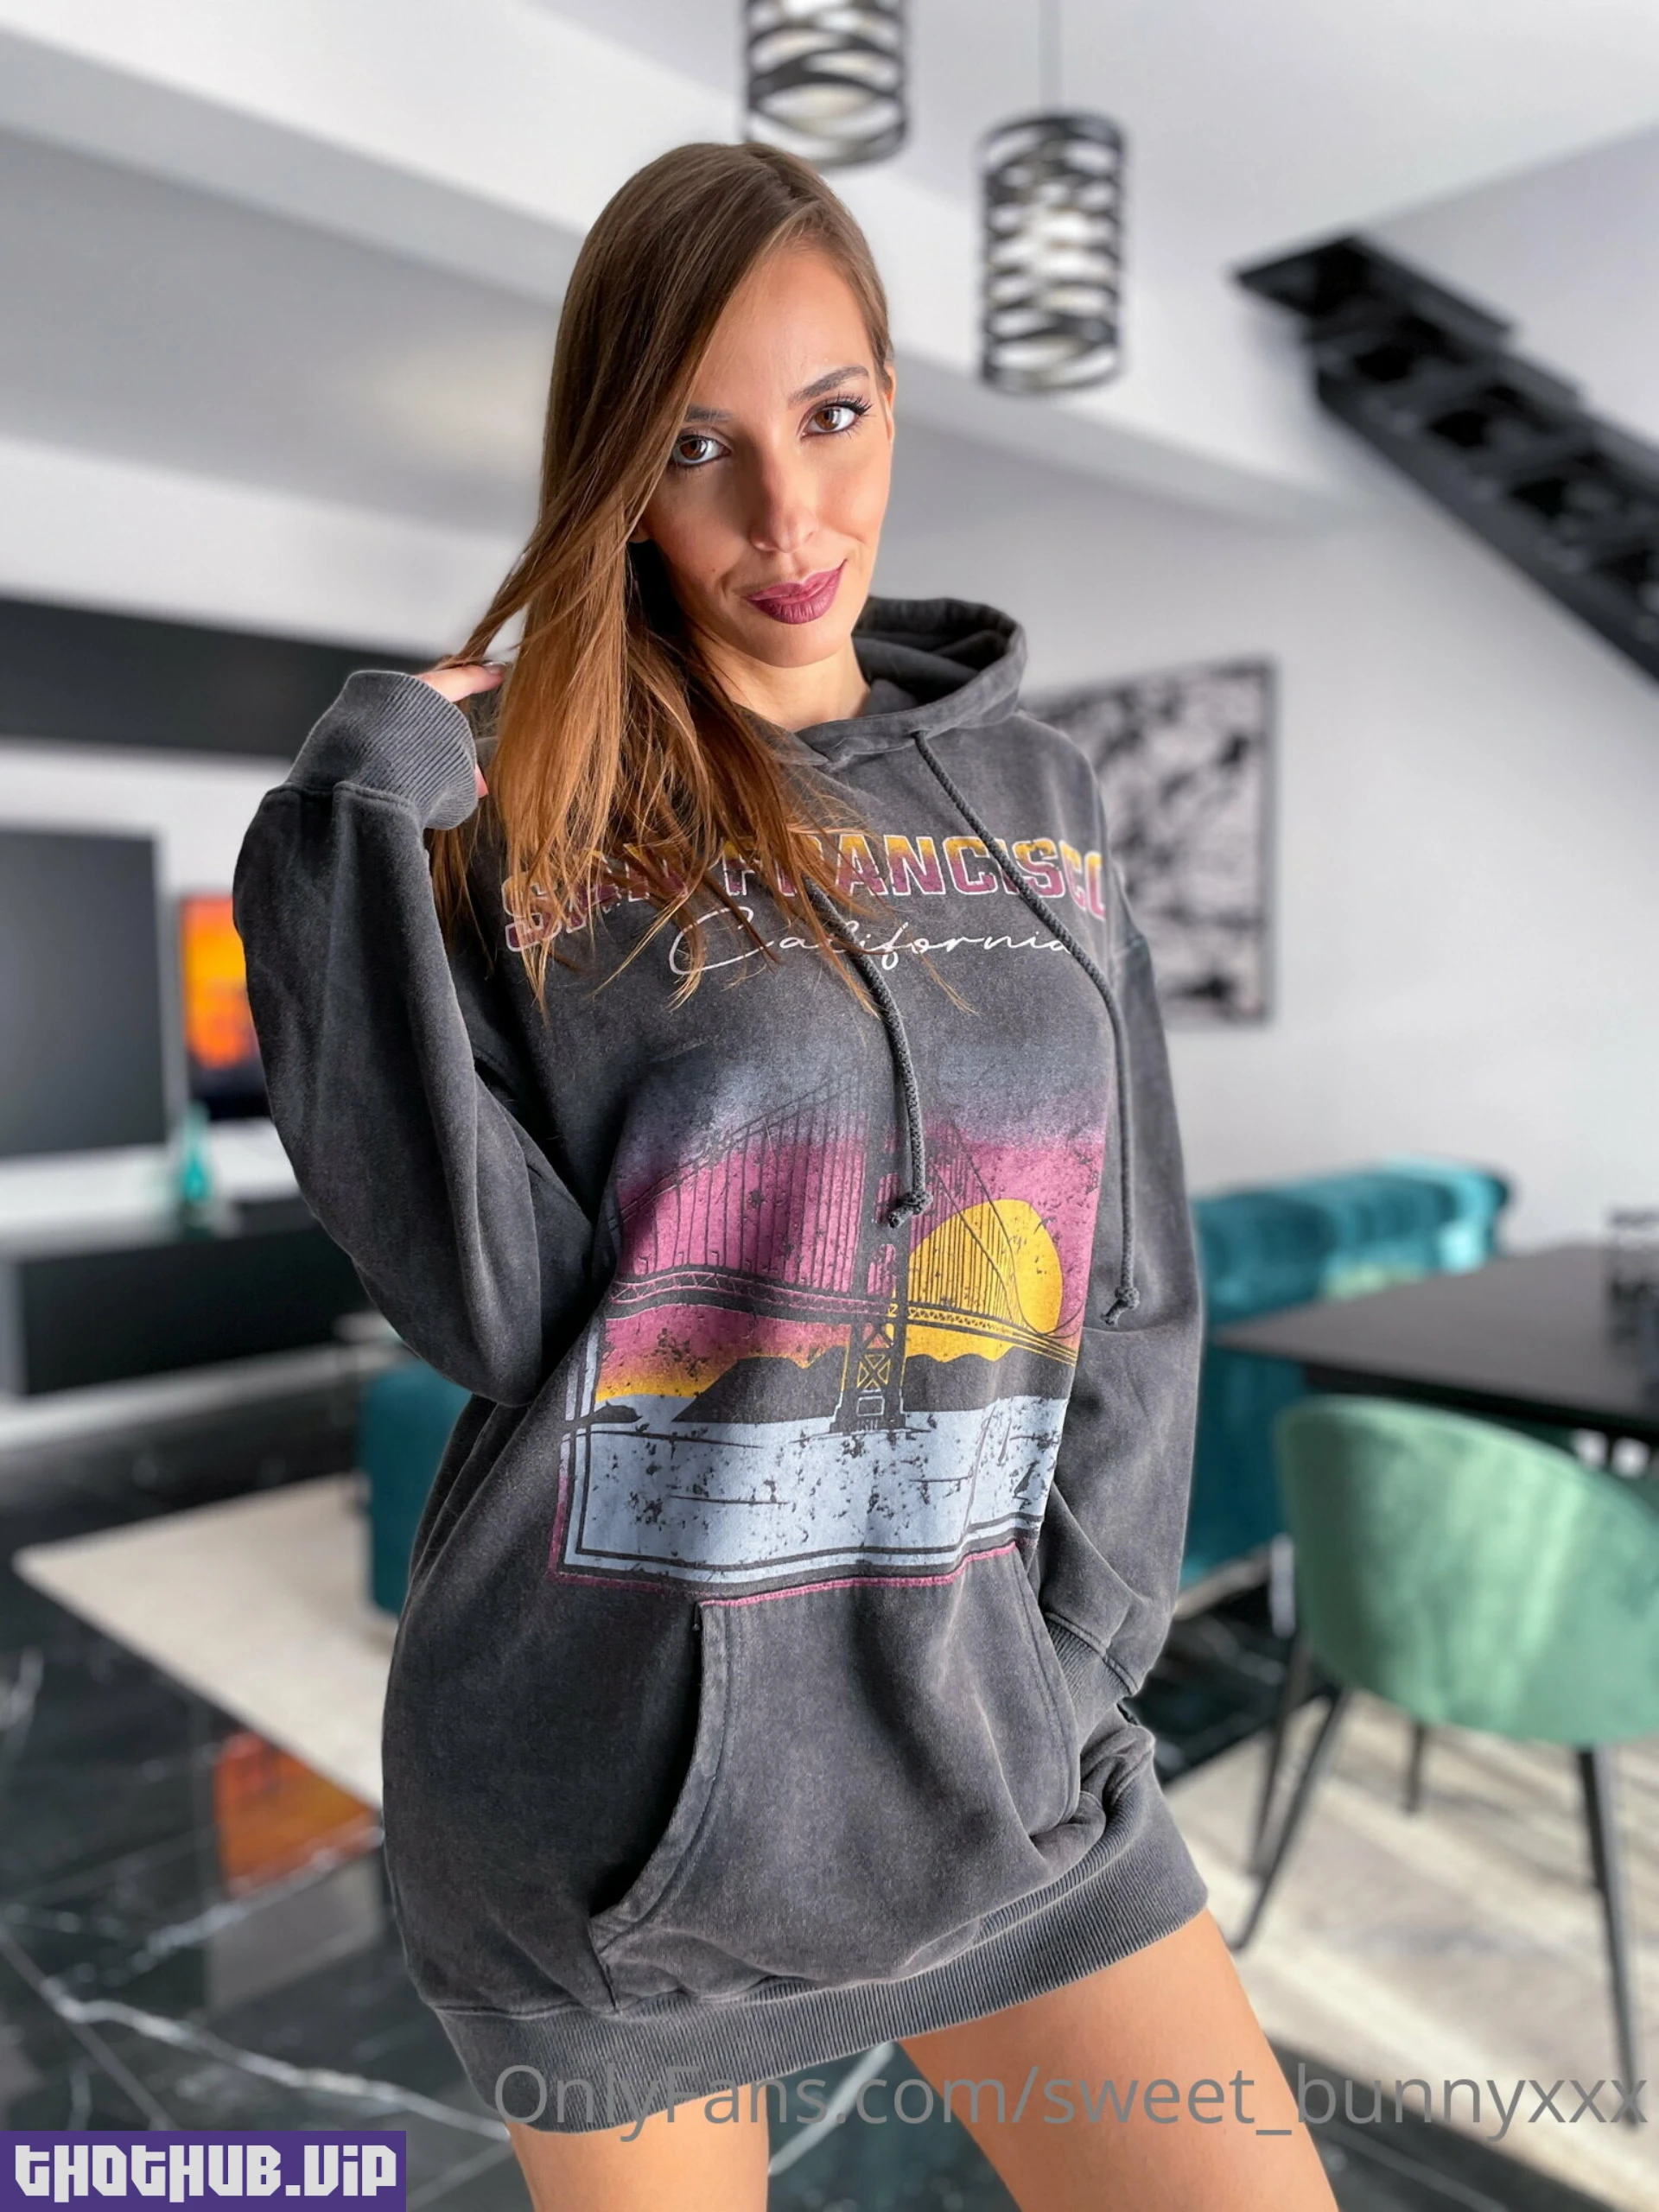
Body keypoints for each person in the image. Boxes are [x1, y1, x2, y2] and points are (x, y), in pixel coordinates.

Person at [235, 141, 1336, 2212]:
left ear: (894, 400)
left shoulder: (1039, 791)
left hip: (1001, 1760)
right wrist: (350, 829)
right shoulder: (540, 801)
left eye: (830, 416)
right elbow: (493, 1305)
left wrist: (1079, 1645)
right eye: (696, 447)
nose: (786, 514)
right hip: (619, 1787)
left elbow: (1133, 1263)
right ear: (618, 479)